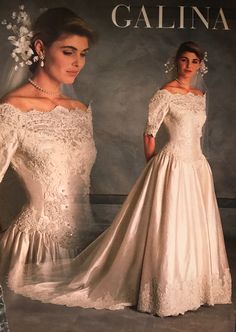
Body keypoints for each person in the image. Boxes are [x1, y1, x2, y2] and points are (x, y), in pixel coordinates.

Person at [9, 41, 232, 317]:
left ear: (200, 65)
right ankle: (167, 288)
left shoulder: (199, 96)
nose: (188, 66)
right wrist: (155, 168)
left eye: (194, 62)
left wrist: (194, 163)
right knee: (170, 224)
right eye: (184, 60)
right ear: (177, 62)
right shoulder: (164, 94)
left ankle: (196, 286)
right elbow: (149, 134)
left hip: (197, 166)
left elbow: (197, 134)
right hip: (172, 165)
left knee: (194, 224)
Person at [0, 7, 97, 287]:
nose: (77, 62)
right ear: (40, 48)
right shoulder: (12, 110)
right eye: (68, 52)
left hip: (85, 246)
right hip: (35, 250)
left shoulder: (80, 110)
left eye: (83, 53)